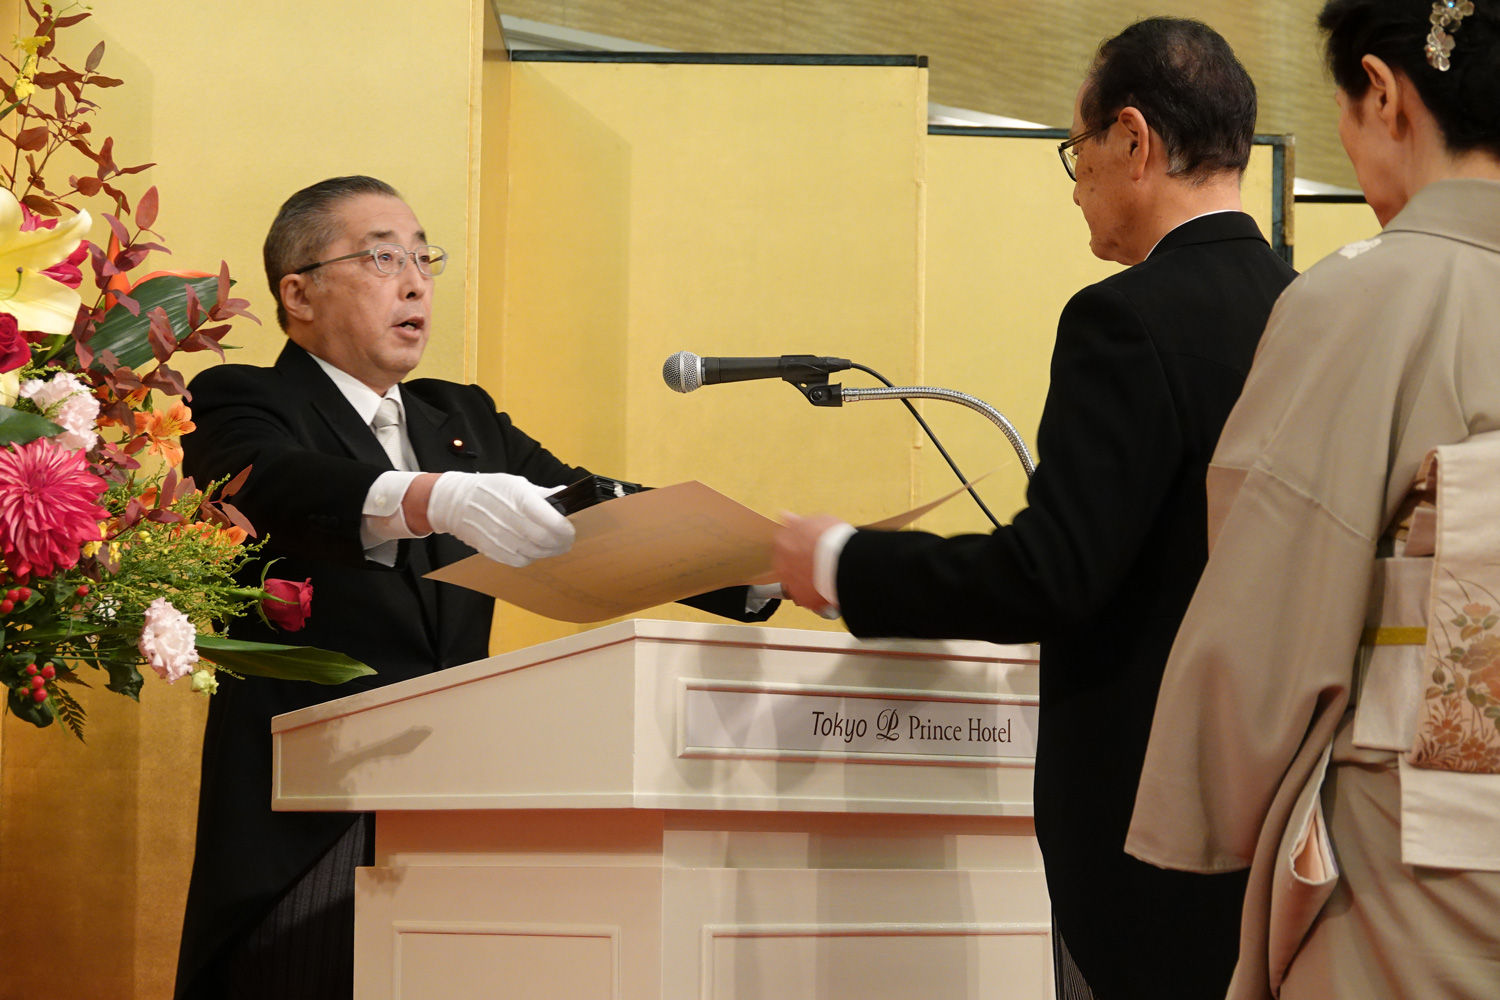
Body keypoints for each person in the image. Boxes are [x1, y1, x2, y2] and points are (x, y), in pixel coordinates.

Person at [772, 18, 1295, 1000]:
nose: (1074, 181)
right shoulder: (1308, 312)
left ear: (1133, 140)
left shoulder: (1123, 319)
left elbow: (1051, 575)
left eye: (1076, 147)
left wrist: (841, 562)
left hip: (1151, 833)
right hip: (1286, 820)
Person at [174, 176, 778, 1000]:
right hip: (309, 822)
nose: (415, 283)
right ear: (299, 293)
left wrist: (758, 562)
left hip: (458, 806)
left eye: (424, 259)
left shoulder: (460, 417)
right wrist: (432, 498)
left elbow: (592, 512)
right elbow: (276, 483)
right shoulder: (239, 398)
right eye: (383, 258)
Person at [1125, 3, 1500, 998]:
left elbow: (1271, 595)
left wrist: (1210, 805)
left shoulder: (1367, 296)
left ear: (1382, 93)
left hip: (1427, 846)